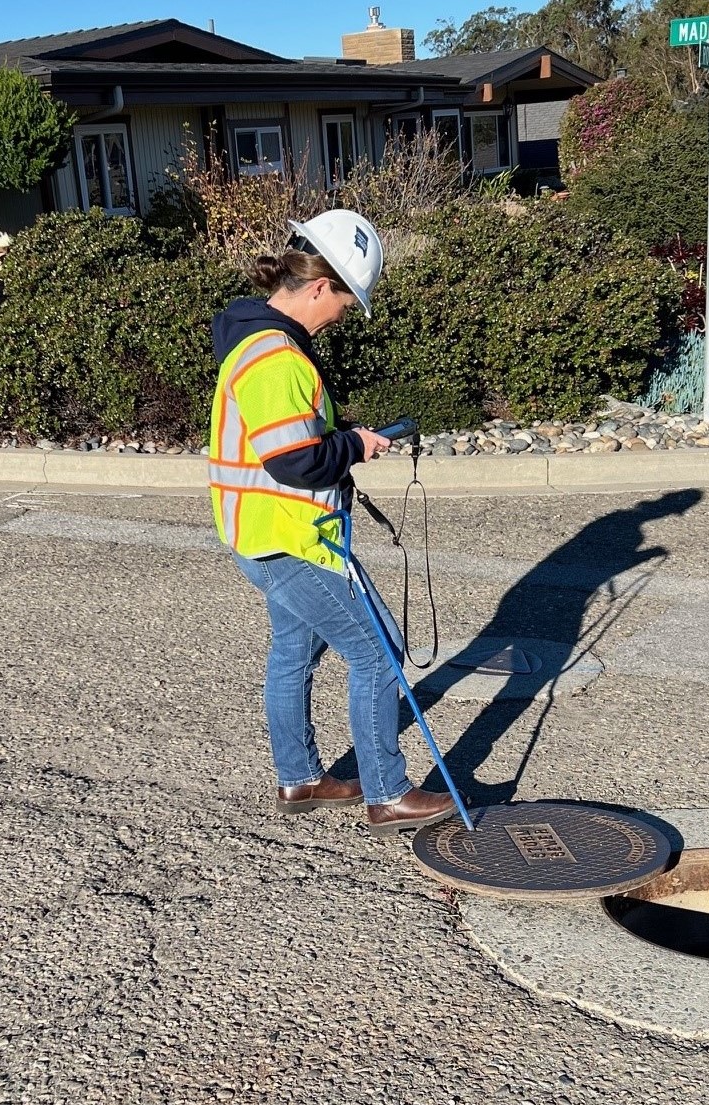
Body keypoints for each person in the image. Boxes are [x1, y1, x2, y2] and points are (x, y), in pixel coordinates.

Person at [209, 209, 456, 837]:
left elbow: (288, 438)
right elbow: (294, 461)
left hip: (261, 532)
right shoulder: (278, 358)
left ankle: (302, 780)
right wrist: (354, 448)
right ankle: (387, 793)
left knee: (295, 650)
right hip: (290, 538)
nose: (345, 314)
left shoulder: (255, 340)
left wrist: (343, 435)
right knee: (379, 651)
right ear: (320, 286)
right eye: (347, 300)